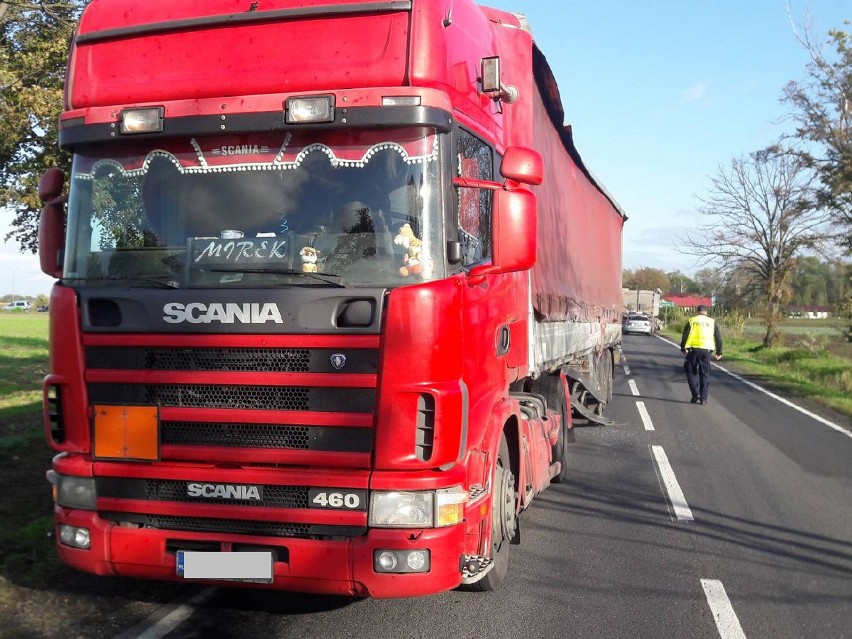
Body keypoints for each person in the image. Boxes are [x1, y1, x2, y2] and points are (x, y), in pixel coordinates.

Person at [680, 304, 723, 405]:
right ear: (706, 312)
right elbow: (718, 338)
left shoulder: (692, 320)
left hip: (693, 350)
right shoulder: (712, 322)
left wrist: (683, 348)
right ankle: (703, 398)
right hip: (707, 351)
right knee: (704, 374)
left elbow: (685, 335)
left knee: (690, 371)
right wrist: (719, 352)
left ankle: (695, 394)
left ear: (697, 311)